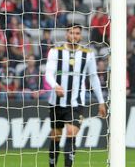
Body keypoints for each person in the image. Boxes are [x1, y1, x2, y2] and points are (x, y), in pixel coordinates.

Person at [45, 25, 106, 167]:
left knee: (72, 132)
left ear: (81, 36)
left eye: (77, 33)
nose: (74, 35)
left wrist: (101, 101)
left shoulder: (88, 53)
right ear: (66, 34)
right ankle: (52, 165)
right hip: (56, 102)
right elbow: (48, 73)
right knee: (56, 135)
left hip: (76, 102)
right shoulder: (55, 51)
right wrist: (55, 86)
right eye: (71, 32)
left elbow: (94, 77)